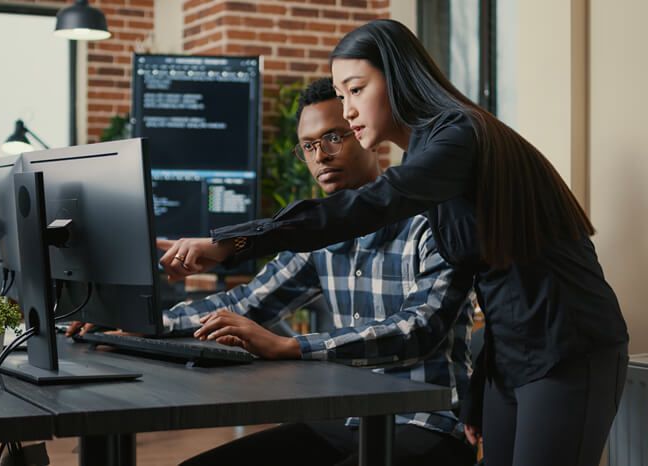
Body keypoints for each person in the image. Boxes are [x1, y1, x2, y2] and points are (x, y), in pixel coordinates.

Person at [158, 20, 629, 466]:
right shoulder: (433, 153)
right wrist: (483, 382)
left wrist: (232, 242)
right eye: (342, 95)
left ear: (400, 78)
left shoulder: (458, 136)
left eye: (357, 90)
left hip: (568, 346)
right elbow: (500, 282)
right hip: (509, 356)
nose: (347, 109)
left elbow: (372, 205)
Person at [108, 78, 474, 465]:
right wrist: (143, 323)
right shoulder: (320, 235)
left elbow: (417, 330)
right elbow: (246, 303)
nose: (321, 156)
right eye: (310, 146)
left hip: (428, 424)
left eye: (334, 138)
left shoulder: (432, 221)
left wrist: (292, 346)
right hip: (349, 419)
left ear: (365, 135)